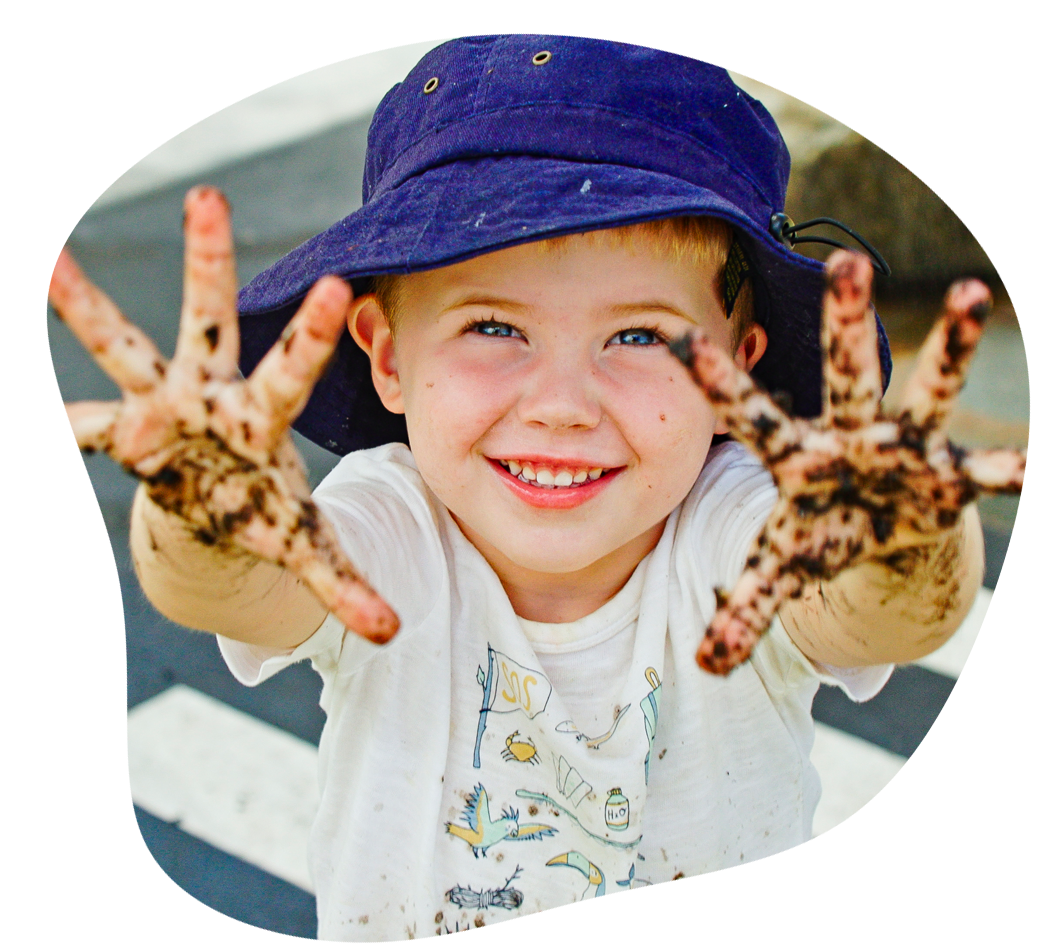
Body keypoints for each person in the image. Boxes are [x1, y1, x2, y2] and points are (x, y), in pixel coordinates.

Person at [49, 35, 1035, 940]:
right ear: (387, 357)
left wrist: (902, 537)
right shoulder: (391, 522)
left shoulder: (735, 529)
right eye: (493, 327)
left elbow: (878, 616)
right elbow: (240, 588)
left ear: (740, 366)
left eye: (640, 335)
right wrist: (203, 507)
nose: (563, 404)